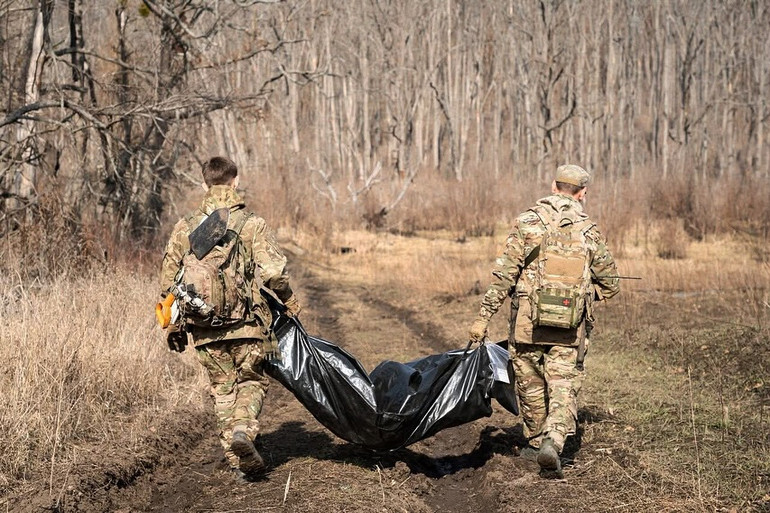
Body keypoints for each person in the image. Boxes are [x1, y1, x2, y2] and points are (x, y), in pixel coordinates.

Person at [468, 164, 620, 479]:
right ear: (583, 193)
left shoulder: (526, 222)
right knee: (563, 384)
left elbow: (504, 276)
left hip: (526, 323)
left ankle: (536, 444)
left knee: (531, 384)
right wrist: (587, 291)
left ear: (553, 187)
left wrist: (483, 318)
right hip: (570, 326)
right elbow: (610, 284)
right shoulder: (589, 229)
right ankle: (554, 440)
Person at [159, 156, 301, 480]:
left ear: (205, 184)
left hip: (205, 330)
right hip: (249, 325)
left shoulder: (187, 226)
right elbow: (275, 273)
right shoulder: (252, 223)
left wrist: (171, 325)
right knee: (252, 380)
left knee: (222, 389)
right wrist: (290, 301)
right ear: (235, 181)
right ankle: (243, 430)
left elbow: (169, 282)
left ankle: (238, 464)